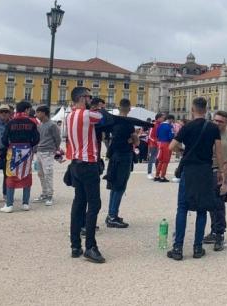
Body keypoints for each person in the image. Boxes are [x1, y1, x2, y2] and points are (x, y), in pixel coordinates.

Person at [167, 97, 222, 261]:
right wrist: (220, 170)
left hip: (189, 170)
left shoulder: (187, 127)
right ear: (206, 110)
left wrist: (183, 150)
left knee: (182, 207)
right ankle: (198, 248)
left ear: (192, 109)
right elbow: (218, 151)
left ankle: (178, 248)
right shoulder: (213, 128)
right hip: (205, 170)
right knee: (202, 208)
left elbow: (171, 146)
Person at [66, 87, 109, 263]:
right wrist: (96, 106)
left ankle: (75, 245)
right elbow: (104, 117)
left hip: (75, 163)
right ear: (83, 98)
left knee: (78, 203)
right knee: (94, 204)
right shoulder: (87, 115)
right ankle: (90, 246)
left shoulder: (69, 116)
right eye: (89, 97)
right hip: (88, 164)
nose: (91, 100)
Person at [101, 98, 151, 228]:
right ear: (129, 108)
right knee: (120, 186)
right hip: (124, 157)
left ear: (118, 107)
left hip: (114, 156)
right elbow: (137, 142)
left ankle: (111, 214)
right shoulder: (129, 124)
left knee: (114, 185)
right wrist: (131, 139)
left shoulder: (113, 122)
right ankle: (112, 215)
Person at [0, 101, 40, 213]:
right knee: (26, 174)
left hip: (13, 150)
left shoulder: (11, 123)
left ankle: (9, 204)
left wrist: (10, 146)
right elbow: (37, 138)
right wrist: (29, 145)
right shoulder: (31, 122)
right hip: (27, 150)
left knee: (10, 175)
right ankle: (25, 203)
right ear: (27, 110)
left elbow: (4, 139)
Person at [203, 110, 227, 251]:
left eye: (220, 121)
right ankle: (214, 231)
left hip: (220, 173)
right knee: (211, 204)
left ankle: (219, 235)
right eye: (215, 120)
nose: (217, 123)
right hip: (211, 171)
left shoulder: (225, 140)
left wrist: (225, 183)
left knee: (218, 205)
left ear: (226, 123)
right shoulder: (212, 133)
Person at [32, 105, 62, 206]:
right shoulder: (40, 125)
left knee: (48, 173)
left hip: (48, 152)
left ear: (44, 113)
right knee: (40, 174)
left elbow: (57, 138)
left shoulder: (52, 125)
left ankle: (49, 195)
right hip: (39, 152)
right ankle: (44, 193)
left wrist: (55, 149)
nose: (36, 114)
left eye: (38, 112)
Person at [154, 115, 175, 182]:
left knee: (160, 160)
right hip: (167, 144)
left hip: (160, 143)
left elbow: (156, 135)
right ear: (170, 119)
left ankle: (157, 176)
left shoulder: (160, 125)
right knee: (165, 161)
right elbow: (171, 136)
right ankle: (162, 176)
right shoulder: (170, 126)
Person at [146, 113, 163, 179]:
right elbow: (150, 136)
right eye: (162, 117)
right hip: (153, 144)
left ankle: (157, 172)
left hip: (158, 144)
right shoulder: (153, 125)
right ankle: (149, 173)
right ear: (158, 118)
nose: (163, 119)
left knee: (158, 158)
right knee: (152, 158)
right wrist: (156, 141)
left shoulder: (161, 125)